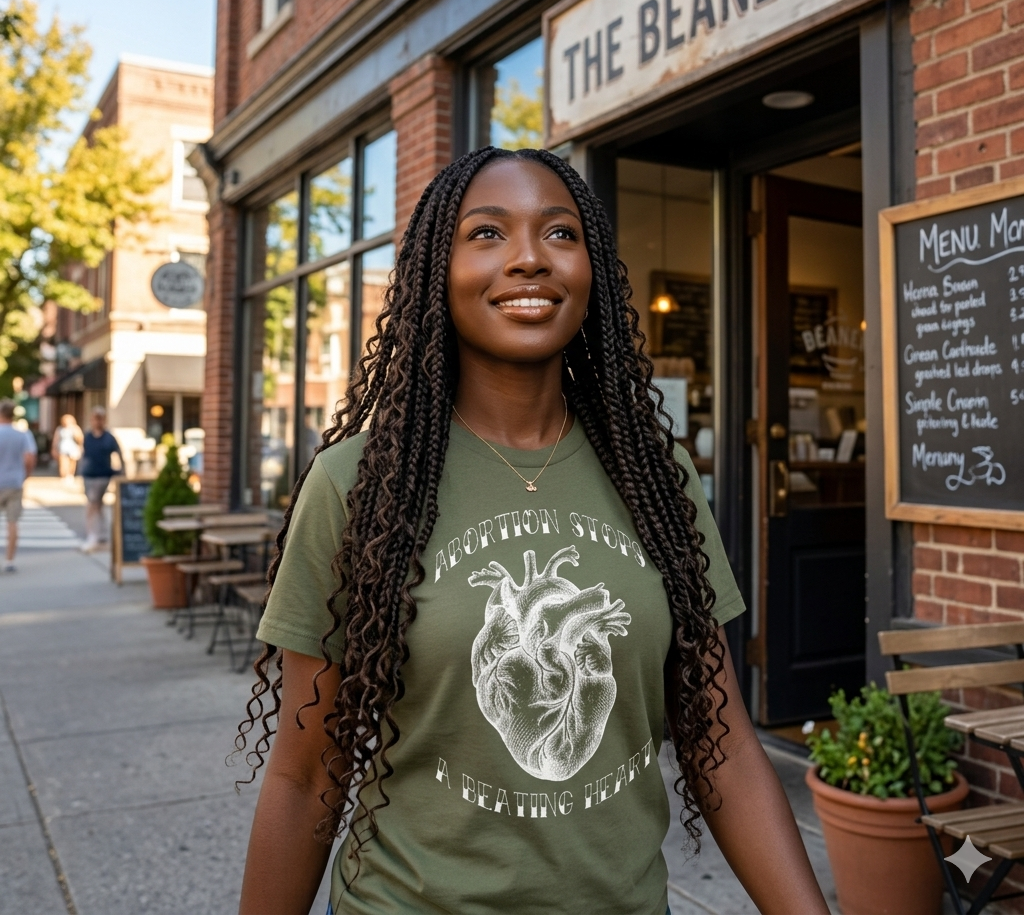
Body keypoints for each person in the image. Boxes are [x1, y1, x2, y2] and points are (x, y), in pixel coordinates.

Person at [236, 149, 829, 915]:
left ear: (592, 273)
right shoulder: (360, 484)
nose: (527, 259)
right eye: (486, 234)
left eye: (560, 234)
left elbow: (726, 748)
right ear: (433, 275)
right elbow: (305, 774)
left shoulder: (657, 477)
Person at [0, 398, 37, 573]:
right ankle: (9, 560)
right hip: (14, 482)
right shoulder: (23, 434)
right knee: (12, 522)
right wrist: (25, 475)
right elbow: (29, 457)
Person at [80, 407, 122, 553]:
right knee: (96, 505)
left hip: (103, 475)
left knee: (93, 504)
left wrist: (121, 471)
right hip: (89, 474)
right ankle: (100, 534)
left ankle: (93, 536)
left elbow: (119, 454)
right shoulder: (88, 436)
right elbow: (84, 455)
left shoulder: (108, 437)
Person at [51, 413, 84, 482]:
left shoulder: (75, 428)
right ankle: (63, 476)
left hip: (73, 448)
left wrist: (80, 448)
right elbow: (56, 439)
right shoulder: (60, 429)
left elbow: (80, 438)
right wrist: (54, 448)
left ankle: (70, 475)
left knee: (72, 463)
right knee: (63, 463)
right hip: (63, 448)